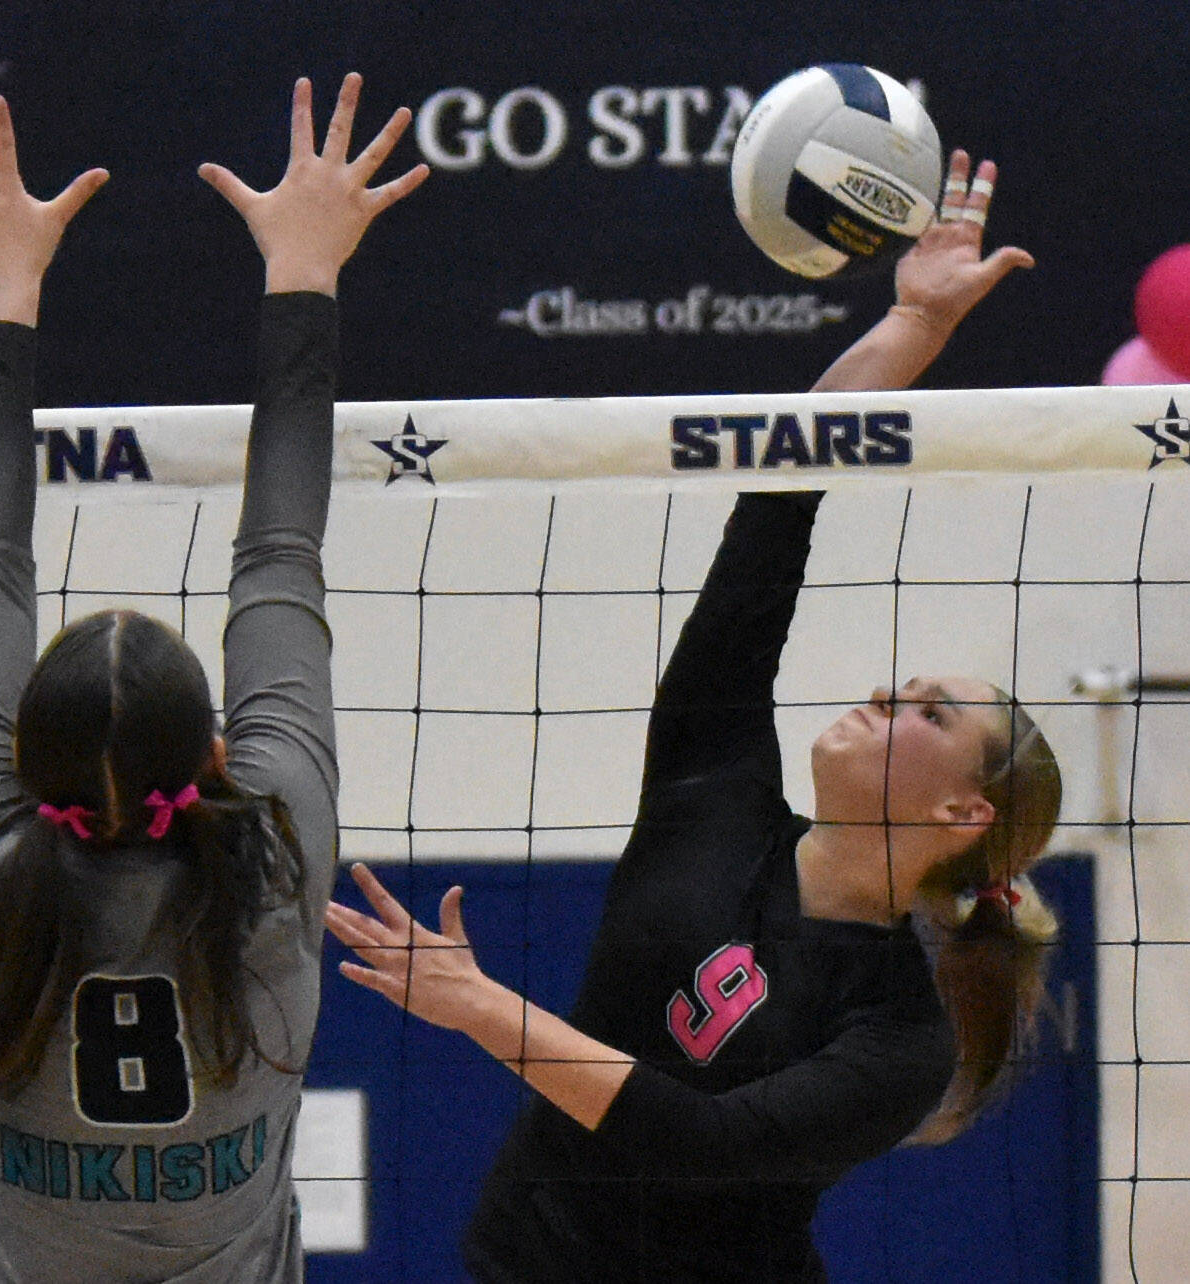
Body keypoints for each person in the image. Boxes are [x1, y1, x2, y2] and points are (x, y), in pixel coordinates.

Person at [323, 152, 1061, 1283]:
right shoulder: (713, 790)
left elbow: (701, 1143)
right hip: (526, 1262)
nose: (881, 694)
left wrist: (478, 1007)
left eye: (929, 710)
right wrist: (911, 325)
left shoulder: (902, 1039)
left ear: (966, 808)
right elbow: (777, 506)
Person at [0, 76, 426, 1282]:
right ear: (215, 756)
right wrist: (305, 271)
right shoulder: (273, 869)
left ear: (20, 765)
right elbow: (278, 554)